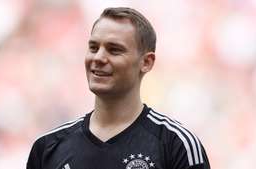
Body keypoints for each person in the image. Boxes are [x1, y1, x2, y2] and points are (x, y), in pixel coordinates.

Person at [26, 7, 211, 169]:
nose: (98, 57)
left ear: (146, 62)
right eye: (93, 47)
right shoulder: (48, 147)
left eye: (114, 50)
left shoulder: (176, 145)